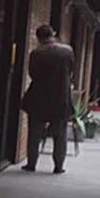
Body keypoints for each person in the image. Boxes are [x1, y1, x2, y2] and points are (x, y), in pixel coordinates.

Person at [22, 24, 75, 174]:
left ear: (38, 38)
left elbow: (33, 74)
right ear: (54, 34)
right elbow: (70, 72)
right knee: (60, 135)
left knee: (35, 133)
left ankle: (31, 163)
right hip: (61, 97)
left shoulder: (37, 53)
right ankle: (58, 166)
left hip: (40, 97)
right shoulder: (68, 51)